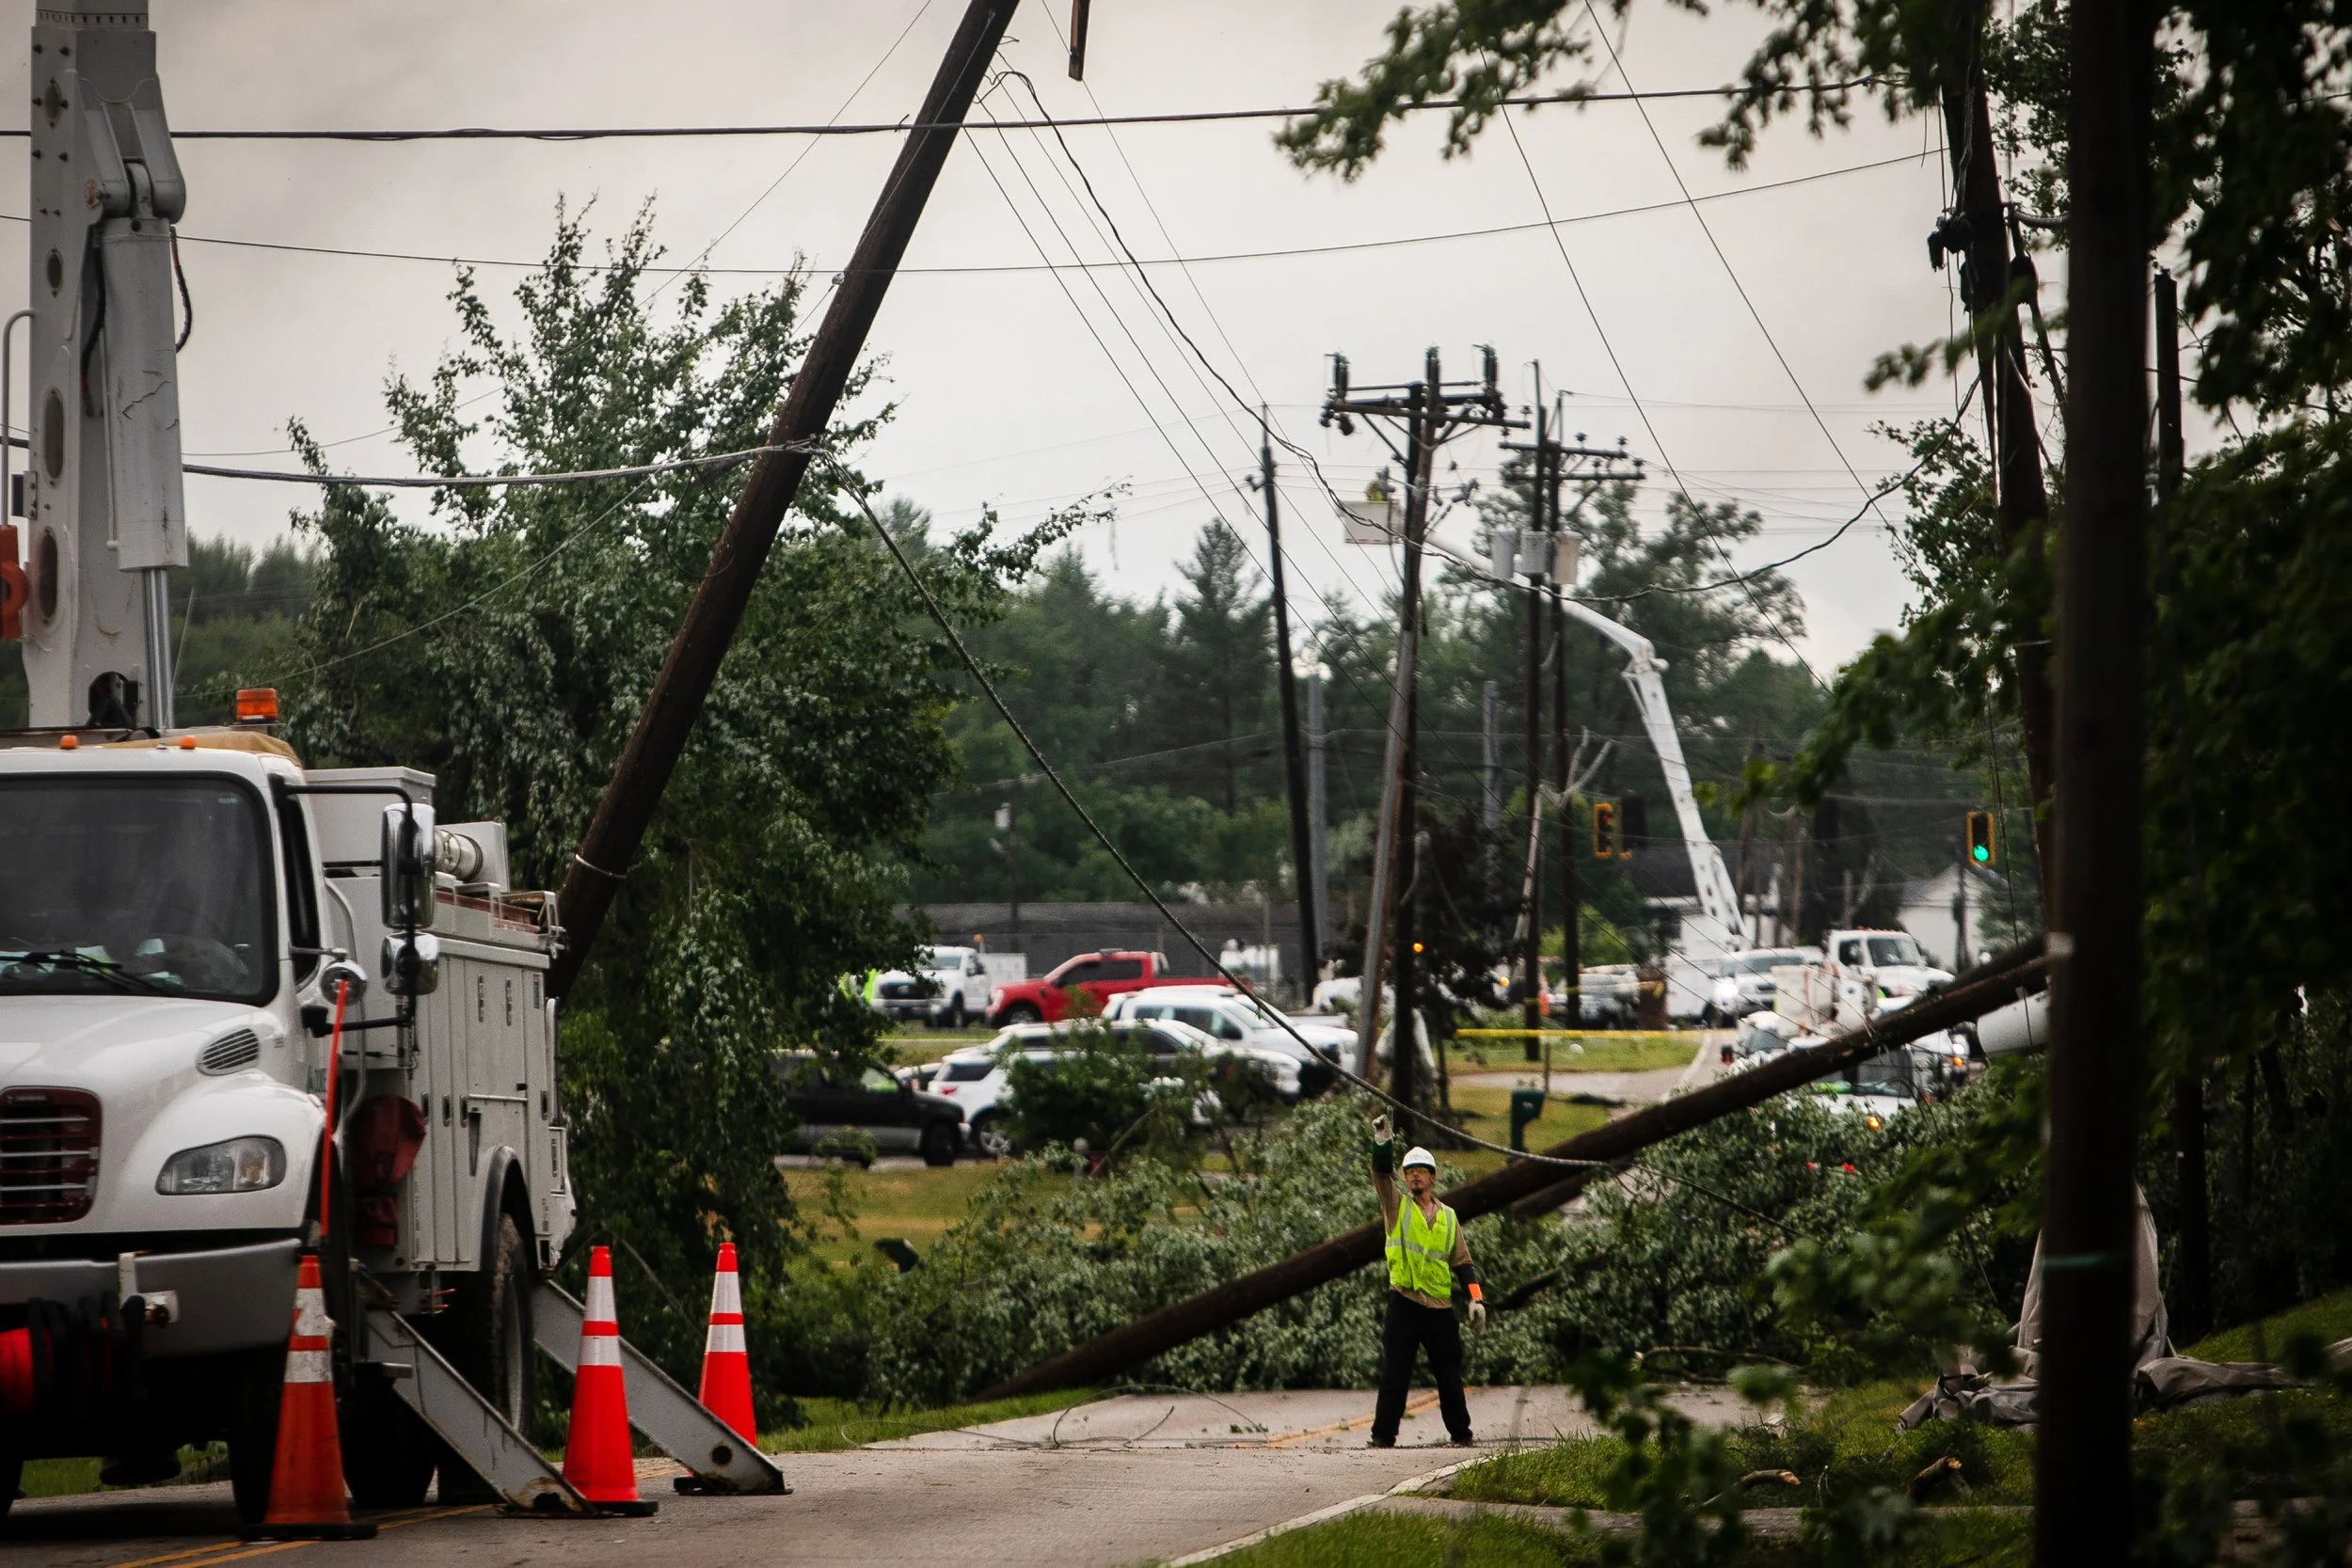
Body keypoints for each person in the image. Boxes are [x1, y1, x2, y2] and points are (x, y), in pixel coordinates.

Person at [1366, 1114, 1481, 1448]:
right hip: (1404, 1302)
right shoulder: (1396, 1206)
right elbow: (1380, 1173)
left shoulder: (1448, 1217)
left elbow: (1463, 1262)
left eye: (1422, 1171)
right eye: (1410, 1171)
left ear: (1433, 1178)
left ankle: (1461, 1434)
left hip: (1440, 1309)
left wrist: (1476, 1298)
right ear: (1404, 1178)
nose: (1415, 1176)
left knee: (1449, 1375)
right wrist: (1383, 1143)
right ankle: (1383, 1436)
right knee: (1395, 1375)